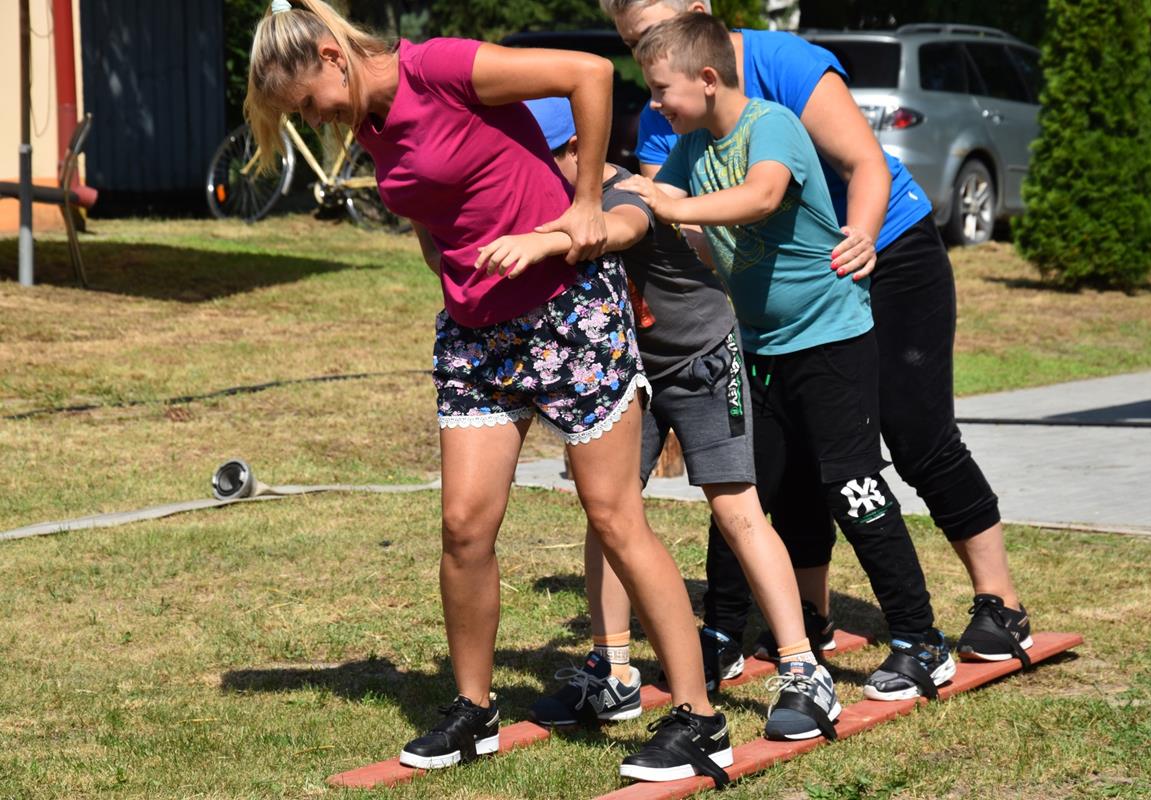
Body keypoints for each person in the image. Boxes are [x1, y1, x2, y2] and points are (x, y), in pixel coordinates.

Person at [243, 0, 731, 784]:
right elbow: (432, 206)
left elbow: (589, 73)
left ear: (333, 57)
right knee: (464, 526)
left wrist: (583, 205)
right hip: (476, 335)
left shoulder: (439, 68)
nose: (315, 119)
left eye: (308, 102)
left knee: (614, 517)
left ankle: (701, 720)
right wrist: (449, 267)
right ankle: (474, 711)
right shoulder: (369, 123)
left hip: (567, 312)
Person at [602, 0, 1033, 673]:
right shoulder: (677, 117)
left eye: (652, 34)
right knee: (767, 471)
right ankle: (799, 617)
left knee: (910, 439)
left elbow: (848, 169)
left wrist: (861, 235)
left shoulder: (778, 76)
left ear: (697, 15)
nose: (643, 56)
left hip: (872, 251)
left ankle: (990, 607)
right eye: (633, 41)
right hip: (775, 320)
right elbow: (672, 217)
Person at [475, 96, 840, 743]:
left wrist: (542, 240)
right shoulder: (537, 202)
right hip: (623, 368)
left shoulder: (625, 193)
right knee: (609, 512)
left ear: (575, 151)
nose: (524, 172)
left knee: (736, 508)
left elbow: (616, 230)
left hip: (701, 359)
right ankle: (612, 669)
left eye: (537, 158)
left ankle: (803, 669)